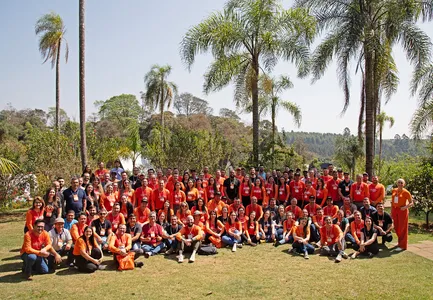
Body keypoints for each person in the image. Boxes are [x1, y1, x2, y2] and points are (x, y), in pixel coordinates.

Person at [391, 179, 413, 251]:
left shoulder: (406, 192)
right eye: (399, 182)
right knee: (396, 227)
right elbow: (392, 202)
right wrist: (391, 211)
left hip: (402, 210)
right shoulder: (394, 190)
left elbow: (411, 203)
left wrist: (405, 207)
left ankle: (403, 245)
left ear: (404, 184)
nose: (400, 184)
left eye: (401, 183)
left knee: (402, 227)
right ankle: (400, 242)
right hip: (395, 210)